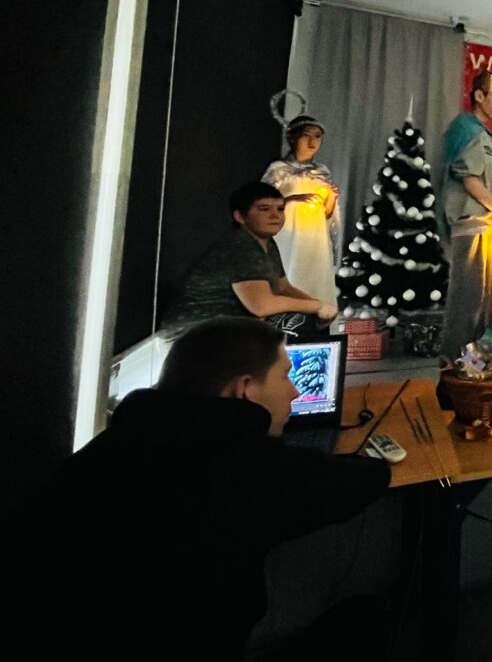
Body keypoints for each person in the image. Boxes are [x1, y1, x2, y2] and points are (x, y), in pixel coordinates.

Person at [6, 317, 392, 659]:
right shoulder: (247, 469)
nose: (294, 392)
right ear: (245, 389)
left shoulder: (108, 450)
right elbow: (364, 479)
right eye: (284, 376)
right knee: (363, 618)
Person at [163, 182, 338, 335]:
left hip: (229, 331)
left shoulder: (267, 243)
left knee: (303, 322)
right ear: (240, 216)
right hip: (194, 335)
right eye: (264, 209)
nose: (275, 215)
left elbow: (283, 288)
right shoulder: (240, 245)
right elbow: (261, 305)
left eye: (280, 209)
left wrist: (319, 307)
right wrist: (317, 307)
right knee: (296, 325)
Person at [438, 68, 492, 360]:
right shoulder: (464, 129)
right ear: (479, 96)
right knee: (468, 299)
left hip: (491, 227)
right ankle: (456, 363)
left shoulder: (489, 137)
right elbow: (470, 180)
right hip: (471, 225)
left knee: (490, 300)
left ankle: (482, 361)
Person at [262, 115, 340, 305]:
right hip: (287, 234)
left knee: (312, 277)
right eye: (307, 136)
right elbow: (262, 202)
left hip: (314, 237)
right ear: (293, 138)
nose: (312, 141)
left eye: (317, 136)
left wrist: (331, 197)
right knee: (289, 271)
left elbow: (327, 214)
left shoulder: (321, 172)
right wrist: (292, 199)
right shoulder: (279, 170)